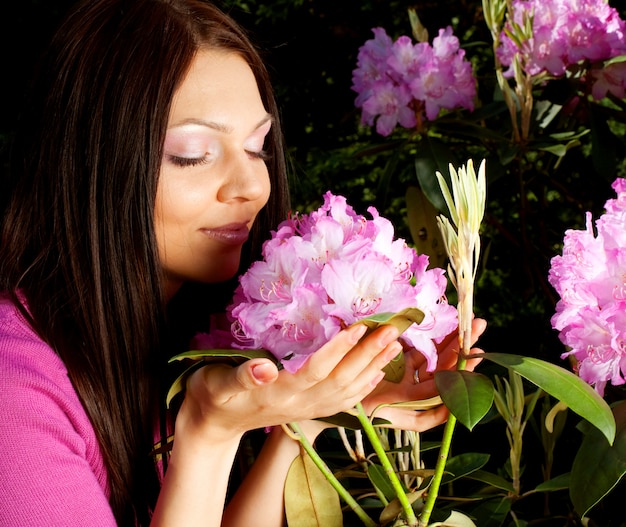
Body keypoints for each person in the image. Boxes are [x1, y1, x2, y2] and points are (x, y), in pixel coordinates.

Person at [0, 0, 486, 525]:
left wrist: (308, 415)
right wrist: (209, 432)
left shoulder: (154, 339)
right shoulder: (14, 393)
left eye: (257, 148)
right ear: (90, 164)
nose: (253, 187)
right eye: (192, 154)